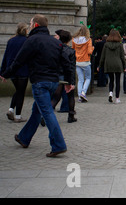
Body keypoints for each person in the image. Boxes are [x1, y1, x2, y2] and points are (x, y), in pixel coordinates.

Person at [0, 14, 73, 157]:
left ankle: (59, 145)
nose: (30, 25)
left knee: (47, 112)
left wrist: (6, 74)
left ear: (36, 25)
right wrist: (69, 82)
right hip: (53, 82)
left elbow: (19, 61)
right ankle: (24, 138)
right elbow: (67, 64)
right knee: (37, 112)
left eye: (31, 23)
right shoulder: (55, 42)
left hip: (40, 82)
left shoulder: (32, 40)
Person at [1, 22, 29, 123]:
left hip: (11, 70)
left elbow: (6, 56)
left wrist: (3, 72)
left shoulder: (11, 41)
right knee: (21, 92)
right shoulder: (27, 41)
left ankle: (11, 109)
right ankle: (18, 116)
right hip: (23, 70)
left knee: (18, 91)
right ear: (25, 30)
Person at [51, 30, 77, 123]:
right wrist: (72, 82)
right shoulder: (71, 51)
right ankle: (71, 115)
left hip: (56, 75)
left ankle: (45, 115)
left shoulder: (54, 49)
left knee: (55, 97)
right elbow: (72, 67)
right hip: (67, 75)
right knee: (70, 96)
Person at [99, 29, 126, 104]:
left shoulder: (106, 45)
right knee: (117, 81)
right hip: (118, 64)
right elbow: (122, 57)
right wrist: (124, 66)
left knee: (111, 80)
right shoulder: (120, 45)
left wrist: (100, 65)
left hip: (108, 64)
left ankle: (110, 92)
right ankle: (117, 98)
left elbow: (103, 56)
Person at [72, 24, 94, 102]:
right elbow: (89, 52)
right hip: (85, 61)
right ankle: (83, 93)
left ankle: (79, 96)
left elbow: (73, 50)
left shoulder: (74, 39)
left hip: (77, 61)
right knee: (88, 78)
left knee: (80, 79)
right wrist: (92, 48)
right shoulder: (88, 40)